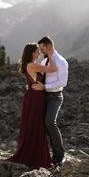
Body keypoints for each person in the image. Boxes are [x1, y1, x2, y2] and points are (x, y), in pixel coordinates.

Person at [5, 43, 58, 169]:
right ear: (32, 53)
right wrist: (50, 55)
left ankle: (33, 154)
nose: (39, 53)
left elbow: (29, 83)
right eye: (37, 51)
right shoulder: (33, 65)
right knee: (37, 126)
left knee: (34, 126)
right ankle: (36, 157)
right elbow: (53, 69)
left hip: (33, 97)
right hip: (35, 99)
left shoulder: (28, 65)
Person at [31, 35, 68, 166]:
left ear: (49, 47)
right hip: (42, 97)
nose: (40, 52)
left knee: (50, 122)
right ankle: (44, 155)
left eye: (42, 49)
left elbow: (63, 82)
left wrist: (45, 87)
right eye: (39, 49)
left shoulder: (61, 62)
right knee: (41, 125)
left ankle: (60, 155)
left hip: (54, 96)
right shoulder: (43, 62)